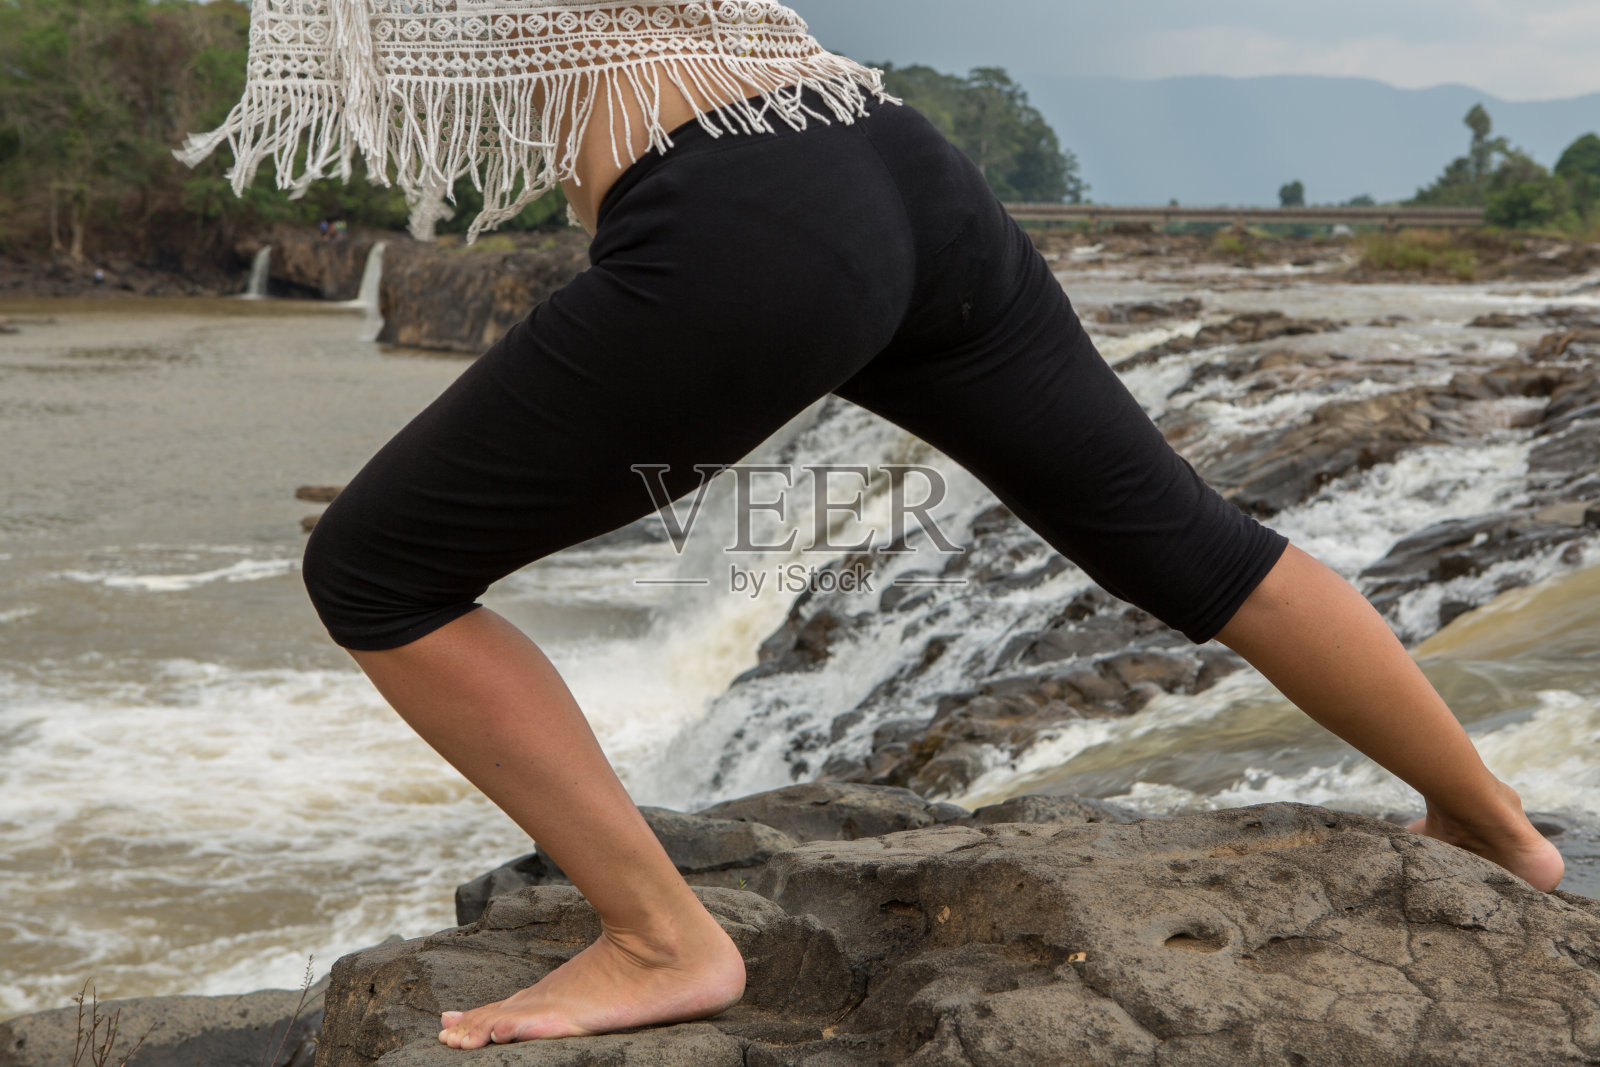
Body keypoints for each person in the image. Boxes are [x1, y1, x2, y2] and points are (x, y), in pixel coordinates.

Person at [176, 0, 1563, 1050]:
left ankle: (662, 942)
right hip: (884, 154)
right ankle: (1497, 826)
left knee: (378, 569)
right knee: (1191, 541)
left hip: (740, 217)